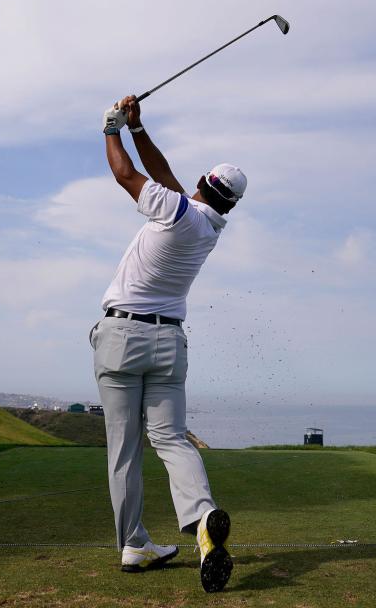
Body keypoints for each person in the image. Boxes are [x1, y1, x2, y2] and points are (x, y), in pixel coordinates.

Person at [90, 95, 245, 593]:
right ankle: (202, 520)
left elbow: (126, 176)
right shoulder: (207, 225)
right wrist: (138, 130)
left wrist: (110, 128)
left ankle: (134, 544)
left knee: (125, 450)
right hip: (168, 344)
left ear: (202, 184)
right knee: (171, 439)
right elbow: (164, 179)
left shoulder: (179, 210)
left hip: (122, 338)